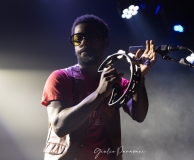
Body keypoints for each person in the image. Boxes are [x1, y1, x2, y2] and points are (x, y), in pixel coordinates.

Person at [41, 14, 156, 160]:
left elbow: (139, 116)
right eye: (78, 38)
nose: (83, 42)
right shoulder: (61, 78)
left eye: (91, 37)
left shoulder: (117, 82)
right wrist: (99, 93)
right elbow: (59, 126)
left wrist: (139, 76)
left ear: (105, 42)